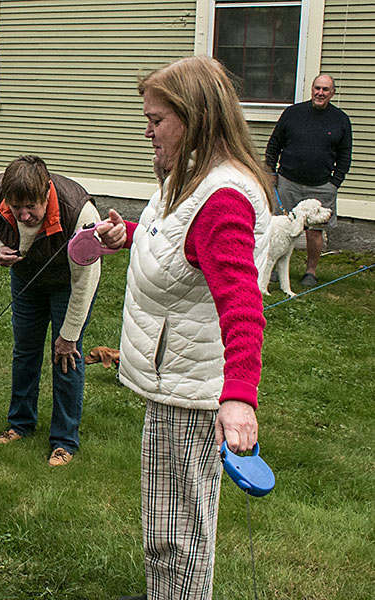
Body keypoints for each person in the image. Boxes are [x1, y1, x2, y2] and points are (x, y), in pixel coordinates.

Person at [93, 56, 273, 600]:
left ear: (194, 119)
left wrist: (240, 396)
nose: (147, 131)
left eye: (157, 120)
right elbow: (176, 243)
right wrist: (125, 233)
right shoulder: (189, 177)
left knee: (182, 535)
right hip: (171, 379)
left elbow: (241, 301)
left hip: (194, 393)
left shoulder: (221, 199)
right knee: (165, 527)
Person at [0, 155, 100, 467]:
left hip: (68, 284)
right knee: (25, 351)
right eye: (17, 209)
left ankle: (64, 441)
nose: (24, 215)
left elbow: (87, 278)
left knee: (65, 357)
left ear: (46, 194)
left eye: (32, 207)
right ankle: (20, 424)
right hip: (25, 279)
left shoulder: (79, 211)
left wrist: (68, 335)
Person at [265, 73, 352, 288]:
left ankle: (310, 272)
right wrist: (271, 172)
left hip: (321, 185)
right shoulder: (293, 114)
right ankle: (274, 268)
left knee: (315, 232)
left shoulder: (341, 120)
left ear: (332, 93)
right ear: (312, 89)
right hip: (288, 181)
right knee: (280, 227)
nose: (320, 93)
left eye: (325, 90)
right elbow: (274, 144)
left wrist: (334, 184)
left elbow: (345, 156)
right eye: (317, 88)